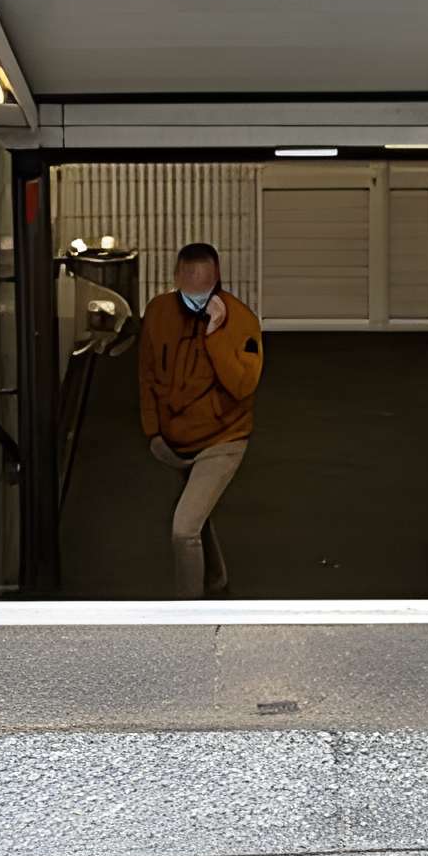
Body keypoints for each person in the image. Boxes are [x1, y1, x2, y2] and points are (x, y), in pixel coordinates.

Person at [136, 242, 262, 599]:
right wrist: (153, 432)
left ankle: (188, 615)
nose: (196, 300)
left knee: (184, 528)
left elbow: (243, 385)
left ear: (217, 280)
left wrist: (215, 336)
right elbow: (146, 375)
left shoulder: (241, 322)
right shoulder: (158, 312)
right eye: (188, 291)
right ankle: (217, 581)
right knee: (198, 515)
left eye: (203, 292)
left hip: (223, 441)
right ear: (175, 278)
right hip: (175, 442)